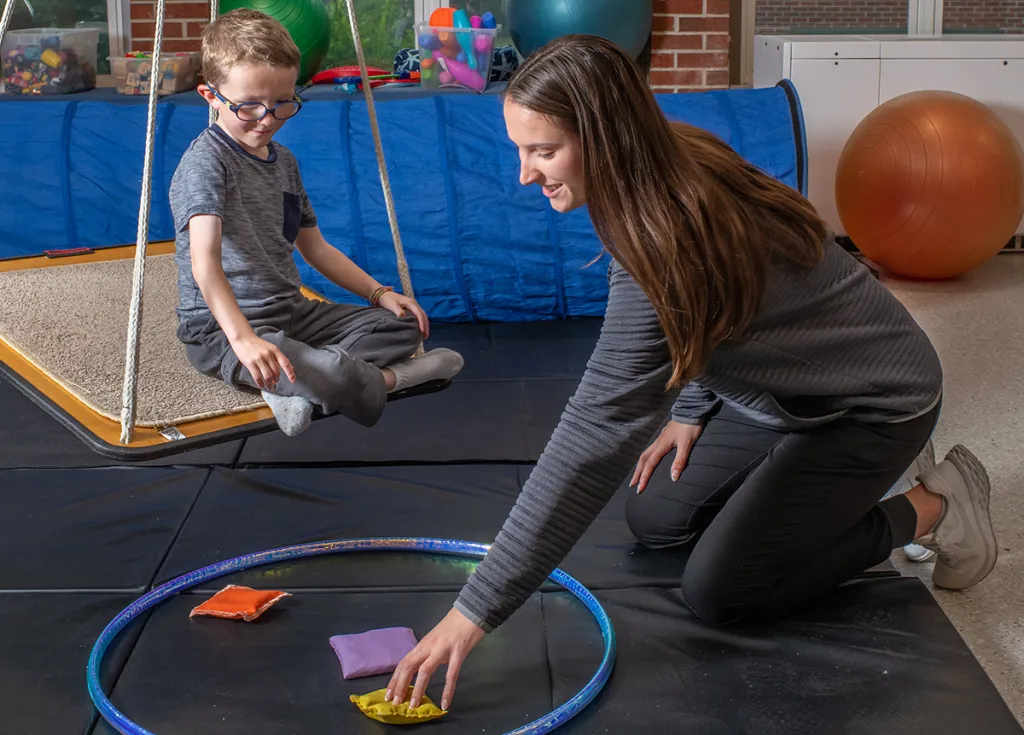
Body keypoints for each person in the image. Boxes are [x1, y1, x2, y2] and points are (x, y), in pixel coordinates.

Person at [385, 35, 999, 712]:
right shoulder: (665, 159)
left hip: (874, 403)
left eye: (543, 150)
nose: (525, 175)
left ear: (606, 138)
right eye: (519, 149)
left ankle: (935, 504)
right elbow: (738, 303)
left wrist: (473, 610)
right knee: (658, 518)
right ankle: (839, 477)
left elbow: (593, 436)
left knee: (724, 591)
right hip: (787, 391)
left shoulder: (669, 236)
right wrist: (688, 409)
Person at [170, 9, 463, 437]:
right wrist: (245, 339)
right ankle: (389, 379)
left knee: (402, 326)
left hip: (292, 314)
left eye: (282, 104)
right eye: (249, 106)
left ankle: (301, 382)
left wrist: (379, 293)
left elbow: (316, 248)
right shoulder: (205, 164)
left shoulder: (283, 163)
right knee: (297, 359)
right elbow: (205, 261)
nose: (267, 119)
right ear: (211, 95)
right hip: (220, 329)